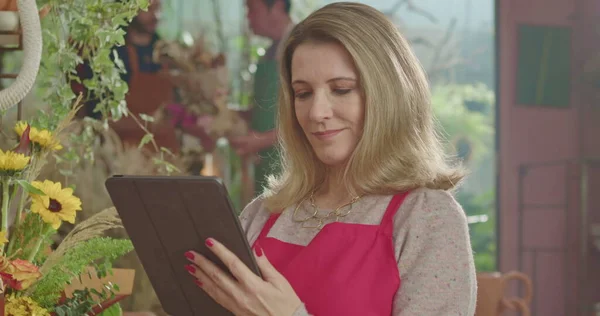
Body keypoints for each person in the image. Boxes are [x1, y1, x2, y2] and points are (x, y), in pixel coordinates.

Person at [183, 2, 477, 315]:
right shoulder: (263, 213)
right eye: (303, 93)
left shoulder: (427, 216)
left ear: (390, 95)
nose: (316, 113)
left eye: (341, 89)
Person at [228, 0, 294, 195]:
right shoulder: (271, 50)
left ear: (278, 6)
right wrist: (231, 116)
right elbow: (269, 108)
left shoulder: (299, 46)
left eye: (251, 10)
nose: (248, 18)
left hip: (290, 166)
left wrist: (261, 140)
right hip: (266, 165)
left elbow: (306, 118)